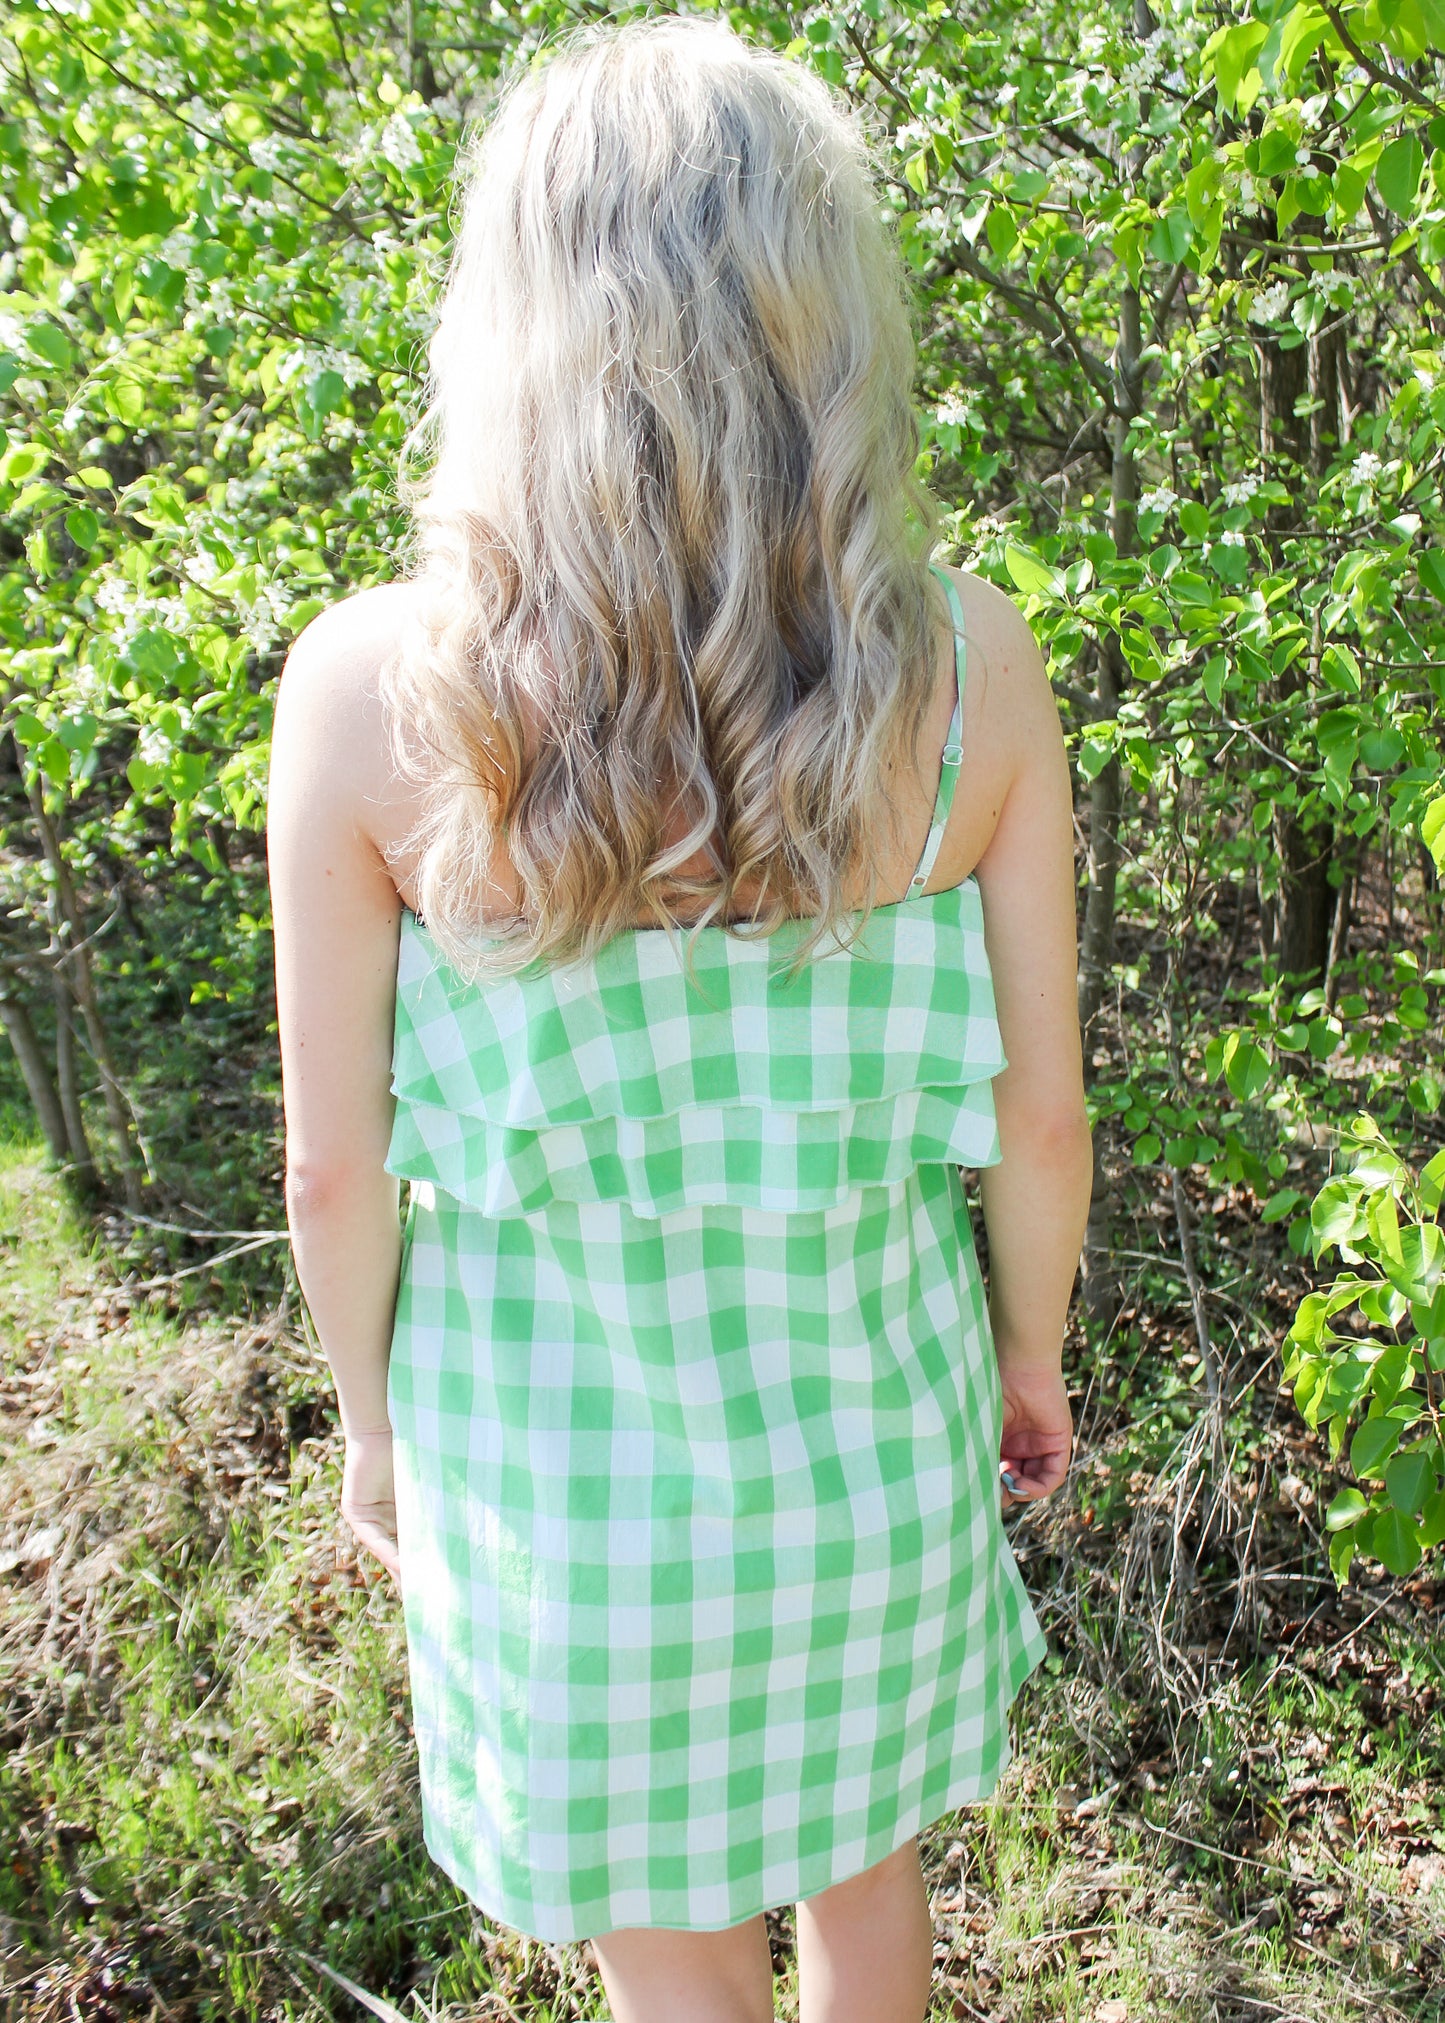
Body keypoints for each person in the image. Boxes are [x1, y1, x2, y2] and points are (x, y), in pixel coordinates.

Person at [267, 16, 1092, 2022]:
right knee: (868, 1875)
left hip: (569, 1506)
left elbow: (331, 1164)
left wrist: (371, 1423)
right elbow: (1047, 1122)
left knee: (673, 1956)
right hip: (873, 1458)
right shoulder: (968, 668)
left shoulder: (375, 693)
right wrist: (1030, 1361)